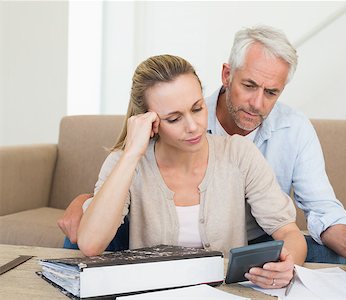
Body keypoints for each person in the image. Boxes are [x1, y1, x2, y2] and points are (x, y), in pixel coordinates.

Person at [59, 25, 346, 265]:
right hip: (151, 246)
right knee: (83, 233)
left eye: (271, 92)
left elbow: (308, 214)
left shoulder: (259, 142)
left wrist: (342, 239)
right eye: (248, 85)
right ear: (227, 75)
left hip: (250, 243)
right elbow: (94, 237)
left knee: (325, 252)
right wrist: (127, 157)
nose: (256, 103)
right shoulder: (150, 139)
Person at [76, 54, 307, 289]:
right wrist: (132, 153)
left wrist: (287, 264)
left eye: (197, 109)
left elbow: (289, 232)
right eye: (174, 118)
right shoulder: (125, 162)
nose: (193, 126)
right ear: (148, 120)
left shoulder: (239, 154)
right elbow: (90, 245)